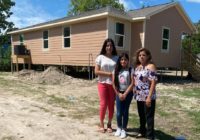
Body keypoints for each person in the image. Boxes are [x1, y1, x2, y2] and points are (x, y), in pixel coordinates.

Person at [95, 38, 118, 133]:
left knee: (111, 105)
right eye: (107, 45)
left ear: (113, 47)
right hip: (102, 84)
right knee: (103, 104)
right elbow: (96, 71)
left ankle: (109, 124)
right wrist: (109, 74)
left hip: (113, 85)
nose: (109, 47)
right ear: (105, 47)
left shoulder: (117, 58)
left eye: (111, 45)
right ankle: (101, 124)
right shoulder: (100, 57)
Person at [133, 48, 157, 140]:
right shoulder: (138, 67)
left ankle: (150, 136)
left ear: (148, 56)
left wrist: (149, 97)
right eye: (139, 55)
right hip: (139, 96)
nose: (141, 57)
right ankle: (142, 131)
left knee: (149, 117)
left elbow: (153, 83)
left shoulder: (151, 66)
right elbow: (135, 80)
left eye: (143, 55)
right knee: (141, 115)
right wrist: (135, 89)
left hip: (148, 96)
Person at [112, 53, 134, 139]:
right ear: (119, 60)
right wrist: (119, 94)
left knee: (125, 112)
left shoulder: (130, 69)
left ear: (128, 60)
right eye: (121, 59)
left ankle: (124, 129)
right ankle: (119, 128)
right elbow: (113, 83)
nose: (123, 61)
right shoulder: (116, 70)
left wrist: (125, 94)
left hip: (128, 94)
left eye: (125, 59)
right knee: (118, 112)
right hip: (119, 93)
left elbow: (132, 83)